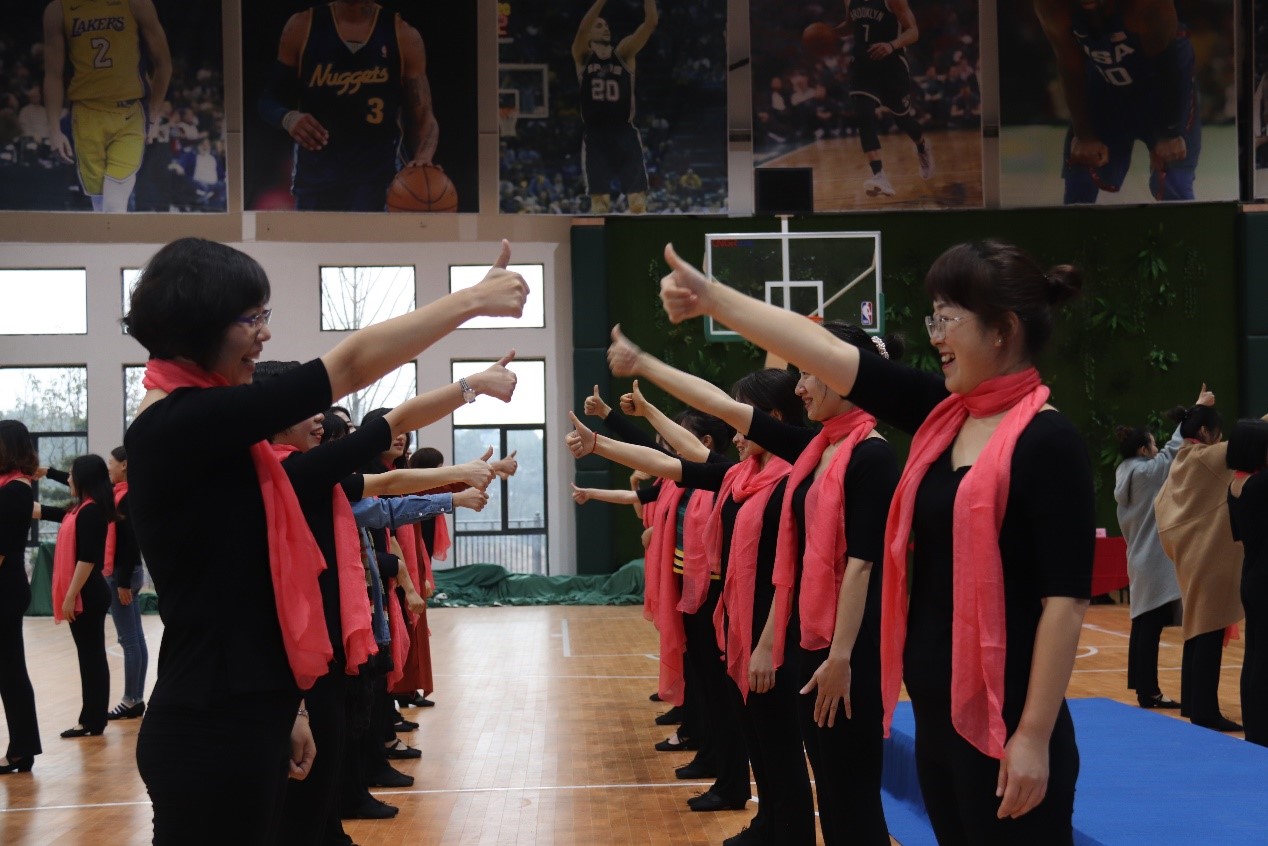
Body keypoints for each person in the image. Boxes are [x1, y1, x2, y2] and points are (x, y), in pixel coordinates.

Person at [658, 239, 1094, 843]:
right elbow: (826, 353)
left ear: (1003, 330)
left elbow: (1065, 604)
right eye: (932, 319)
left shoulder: (1049, 442)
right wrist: (713, 298)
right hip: (941, 720)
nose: (936, 337)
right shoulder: (946, 416)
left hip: (1009, 724)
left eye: (947, 318)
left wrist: (1033, 735)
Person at [121, 236, 526, 844]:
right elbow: (350, 365)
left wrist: (291, 709)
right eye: (250, 318)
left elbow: (246, 597)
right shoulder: (179, 425)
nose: (264, 334)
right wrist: (472, 300)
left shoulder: (210, 433)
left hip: (243, 711)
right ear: (199, 322)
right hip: (211, 728)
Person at [608, 323, 899, 845]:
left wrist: (840, 659)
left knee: (853, 798)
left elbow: (861, 565)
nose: (801, 386)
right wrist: (644, 365)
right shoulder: (817, 448)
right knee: (832, 793)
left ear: (844, 376)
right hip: (810, 641)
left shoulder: (871, 456)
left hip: (845, 652)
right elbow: (723, 410)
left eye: (809, 373)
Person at [568, 367, 815, 845]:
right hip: (738, 624)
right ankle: (770, 823)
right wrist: (599, 444)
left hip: (775, 629)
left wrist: (768, 643)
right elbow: (668, 461)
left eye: (743, 420)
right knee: (757, 734)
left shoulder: (794, 474)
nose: (735, 434)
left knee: (779, 740)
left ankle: (791, 832)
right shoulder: (739, 476)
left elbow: (790, 570)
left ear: (775, 419)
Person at [260, 0, 439, 211]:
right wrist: (289, 118)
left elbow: (424, 117)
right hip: (315, 181)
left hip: (379, 182)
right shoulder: (302, 27)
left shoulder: (403, 35)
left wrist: (423, 158)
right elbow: (268, 100)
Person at [1034, 0, 1200, 204]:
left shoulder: (1147, 5)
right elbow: (1070, 66)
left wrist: (1171, 132)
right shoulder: (1052, 5)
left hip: (1161, 89)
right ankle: (1076, 224)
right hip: (1106, 85)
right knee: (1081, 173)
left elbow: (1170, 66)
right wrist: (1083, 134)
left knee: (1174, 181)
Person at [1114, 391, 1211, 710]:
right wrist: (1198, 409)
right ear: (1143, 450)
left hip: (1137, 559)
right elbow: (1174, 448)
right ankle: (1150, 692)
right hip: (1152, 560)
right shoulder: (1146, 473)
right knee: (1150, 627)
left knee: (1143, 624)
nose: (1157, 449)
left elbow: (1167, 449)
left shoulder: (1124, 472)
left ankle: (1144, 689)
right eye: (1152, 445)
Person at [1154, 402, 1245, 732]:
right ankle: (1205, 710)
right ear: (1205, 433)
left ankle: (1193, 703)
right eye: (1217, 432)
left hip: (1190, 557)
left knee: (1196, 631)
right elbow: (1250, 440)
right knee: (1208, 631)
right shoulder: (1207, 458)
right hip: (1209, 558)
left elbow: (1160, 507)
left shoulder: (1182, 458)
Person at [40, 448, 148, 720]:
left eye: (112, 463)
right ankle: (132, 699)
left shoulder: (121, 498)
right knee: (132, 638)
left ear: (125, 465)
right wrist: (48, 473)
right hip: (119, 574)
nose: (110, 468)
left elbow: (129, 542)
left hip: (122, 575)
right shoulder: (109, 496)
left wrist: (122, 581)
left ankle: (131, 699)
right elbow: (72, 492)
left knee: (128, 640)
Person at [42, 0, 172, 212]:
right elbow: (52, 75)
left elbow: (164, 64)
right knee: (100, 203)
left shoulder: (136, 4)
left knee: (113, 204)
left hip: (129, 112)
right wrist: (54, 129)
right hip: (86, 114)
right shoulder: (58, 10)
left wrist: (153, 114)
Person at [36, 454, 118, 739]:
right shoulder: (81, 509)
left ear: (84, 478)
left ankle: (93, 721)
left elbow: (87, 559)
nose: (68, 479)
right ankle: (91, 719)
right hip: (86, 591)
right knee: (90, 657)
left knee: (92, 658)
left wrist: (70, 596)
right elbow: (48, 512)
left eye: (71, 475)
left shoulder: (91, 511)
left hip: (88, 593)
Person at [571, 0, 658, 214]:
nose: (606, 28)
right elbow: (582, 29)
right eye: (599, 25)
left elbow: (650, 23)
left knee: (638, 204)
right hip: (595, 135)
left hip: (624, 131)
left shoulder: (623, 53)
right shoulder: (583, 56)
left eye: (607, 25)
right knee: (599, 205)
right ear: (590, 33)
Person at [844, 0, 934, 198]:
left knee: (903, 120)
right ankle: (879, 175)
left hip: (891, 66)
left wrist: (892, 45)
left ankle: (922, 146)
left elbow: (913, 31)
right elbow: (852, 24)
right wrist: (829, 33)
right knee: (863, 116)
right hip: (862, 65)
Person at [0, 421, 42, 774]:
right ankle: (21, 748)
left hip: (5, 587)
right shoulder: (10, 486)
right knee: (9, 670)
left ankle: (22, 749)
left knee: (11, 671)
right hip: (7, 585)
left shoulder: (15, 489)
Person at [1226, 419, 1268, 747]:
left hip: (1252, 573)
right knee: (1261, 656)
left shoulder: (1235, 485)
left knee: (1254, 654)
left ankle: (1255, 728)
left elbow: (1238, 536)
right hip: (1264, 577)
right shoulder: (1261, 485)